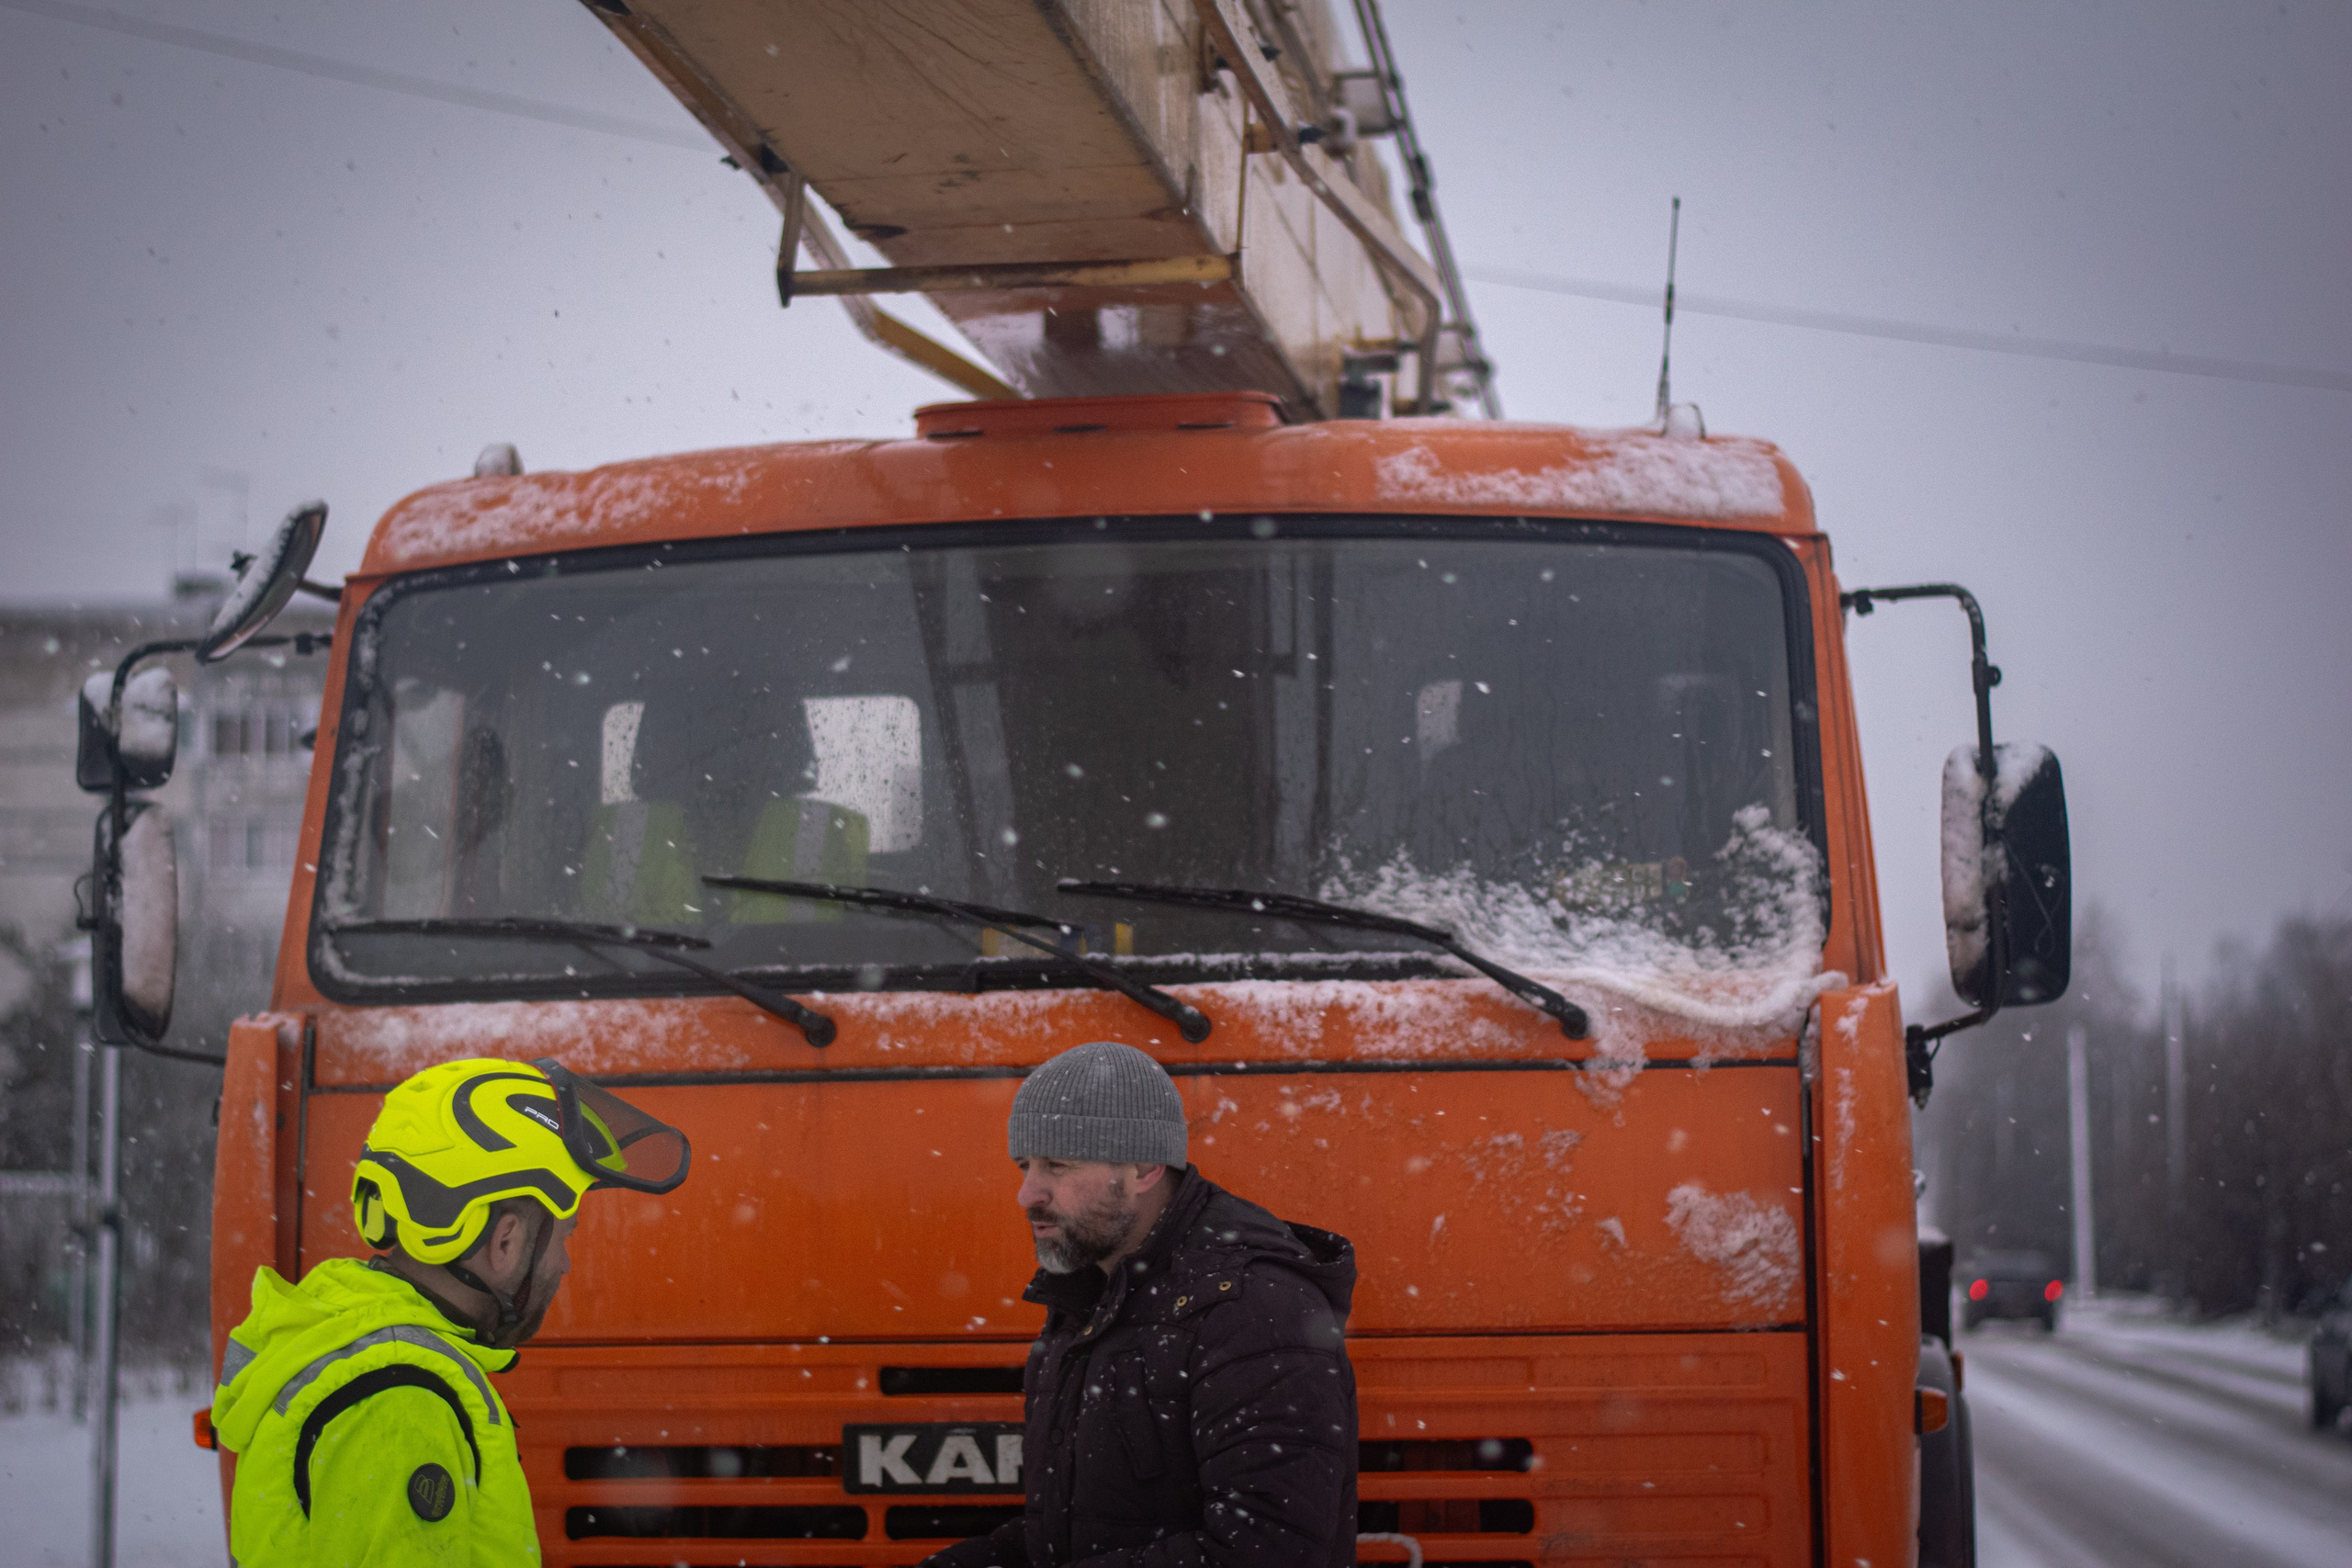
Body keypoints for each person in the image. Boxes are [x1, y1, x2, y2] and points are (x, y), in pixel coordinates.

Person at [210, 1055, 690, 1564]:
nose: (565, 1264)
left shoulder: (358, 1344)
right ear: (505, 1241)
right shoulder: (399, 1401)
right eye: (562, 1238)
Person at [923, 1040, 1359, 1568]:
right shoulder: (1091, 1298)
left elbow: (1269, 1546)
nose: (1028, 1193)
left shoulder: (1249, 1306)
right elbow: (1078, 1529)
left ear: (1145, 1168)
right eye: (1024, 1165)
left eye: (1057, 1165)